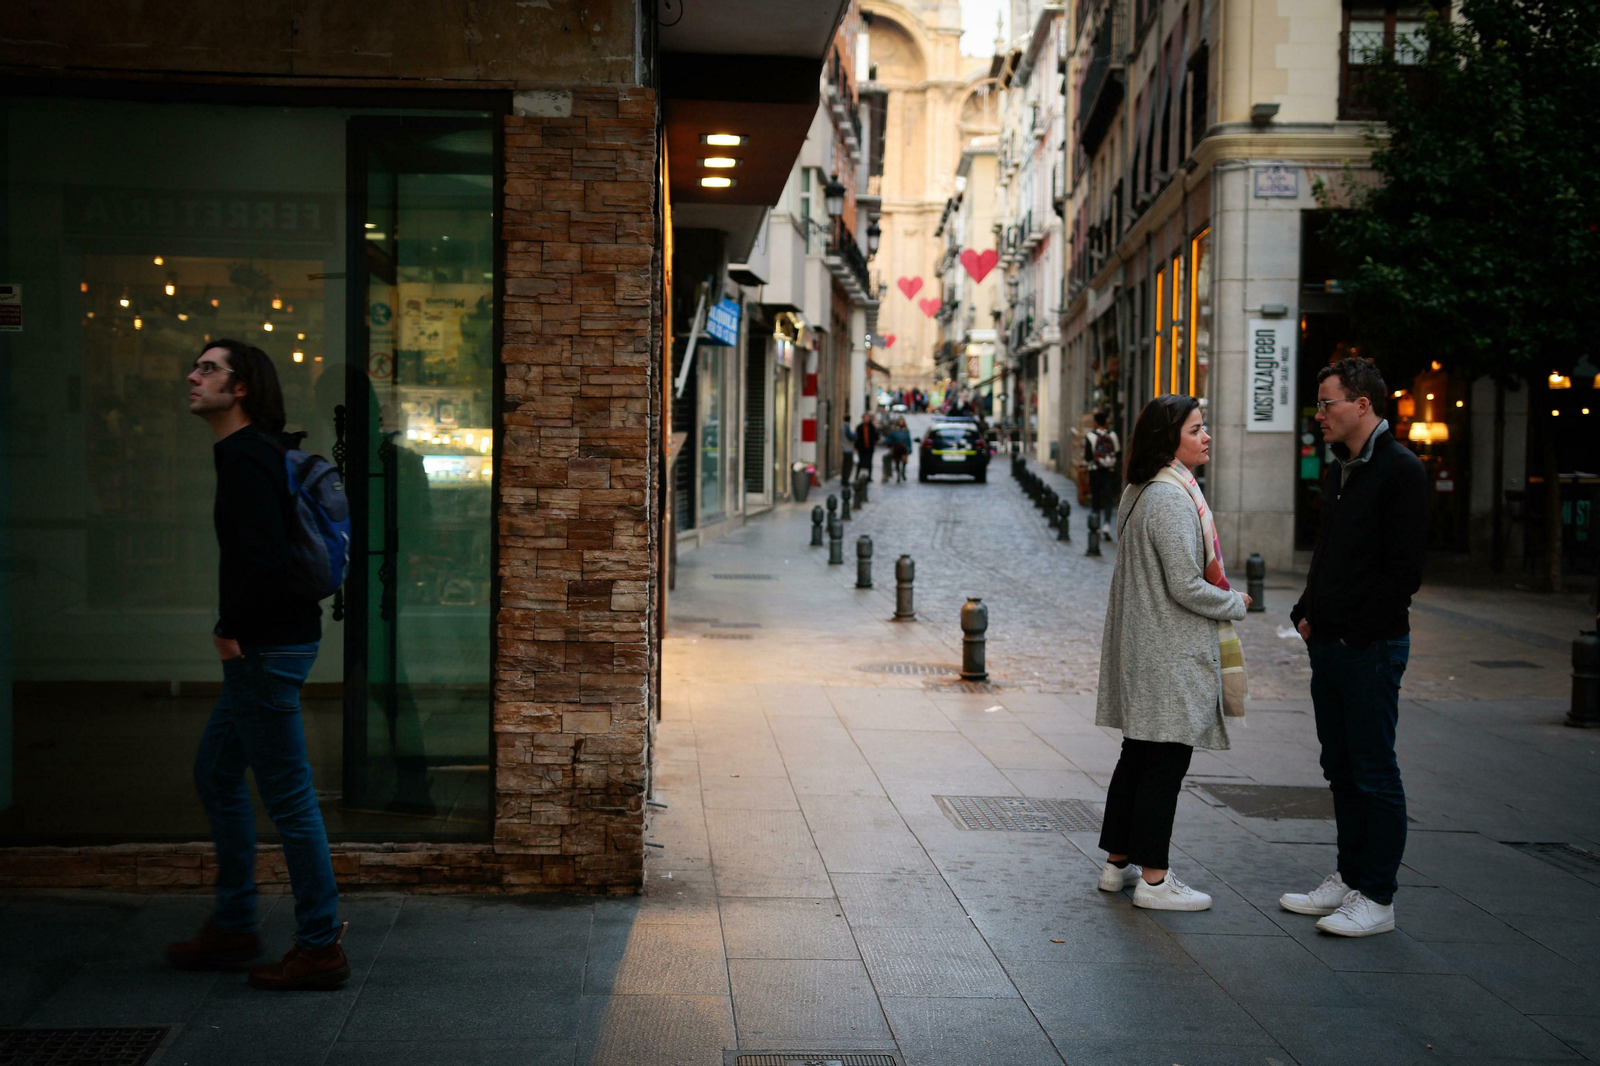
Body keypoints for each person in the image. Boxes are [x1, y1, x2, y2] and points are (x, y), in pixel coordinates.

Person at [165, 339, 350, 990]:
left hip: (264, 647)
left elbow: (265, 559)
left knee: (290, 797)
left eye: (208, 369)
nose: (193, 376)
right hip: (278, 641)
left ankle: (319, 946)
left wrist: (229, 630)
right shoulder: (263, 452)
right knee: (217, 774)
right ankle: (236, 923)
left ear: (240, 388)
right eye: (196, 366)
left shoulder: (247, 458)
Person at [1282, 358, 1427, 937]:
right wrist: (1306, 610)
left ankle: (1378, 896)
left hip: (1370, 647)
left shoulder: (1400, 470)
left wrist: (1355, 631)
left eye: (1327, 403)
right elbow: (1330, 551)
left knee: (1373, 770)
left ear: (1362, 404)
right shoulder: (1338, 469)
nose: (1319, 414)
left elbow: (1404, 571)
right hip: (1331, 643)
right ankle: (1349, 876)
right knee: (1339, 767)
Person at [1095, 394, 1250, 911]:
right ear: (1169, 439)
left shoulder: (1141, 489)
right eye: (1196, 429)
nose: (1206, 437)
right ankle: (1155, 880)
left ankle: (1118, 863)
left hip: (1148, 644)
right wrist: (1235, 602)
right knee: (1163, 764)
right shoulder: (1169, 496)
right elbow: (1184, 584)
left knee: (1138, 755)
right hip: (1168, 651)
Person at [1085, 411, 1121, 541]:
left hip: (1095, 471)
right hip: (1109, 472)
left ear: (1095, 422)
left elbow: (1088, 457)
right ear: (1106, 421)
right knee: (1108, 498)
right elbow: (1118, 453)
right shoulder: (1113, 435)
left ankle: (1096, 526)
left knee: (1096, 498)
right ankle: (1106, 525)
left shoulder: (1090, 436)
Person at [854, 410, 879, 484]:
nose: (866, 419)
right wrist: (856, 447)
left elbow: (876, 435)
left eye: (868, 418)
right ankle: (857, 475)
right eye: (865, 418)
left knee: (869, 462)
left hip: (869, 448)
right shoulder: (859, 427)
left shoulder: (872, 427)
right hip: (862, 448)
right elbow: (857, 438)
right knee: (860, 462)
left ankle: (869, 476)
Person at [885, 417, 912, 482]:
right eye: (900, 421)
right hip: (897, 449)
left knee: (904, 462)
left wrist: (909, 448)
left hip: (904, 449)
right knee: (897, 462)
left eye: (902, 421)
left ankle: (903, 472)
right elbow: (890, 439)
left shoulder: (906, 431)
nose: (901, 423)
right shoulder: (894, 431)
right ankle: (898, 475)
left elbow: (908, 440)